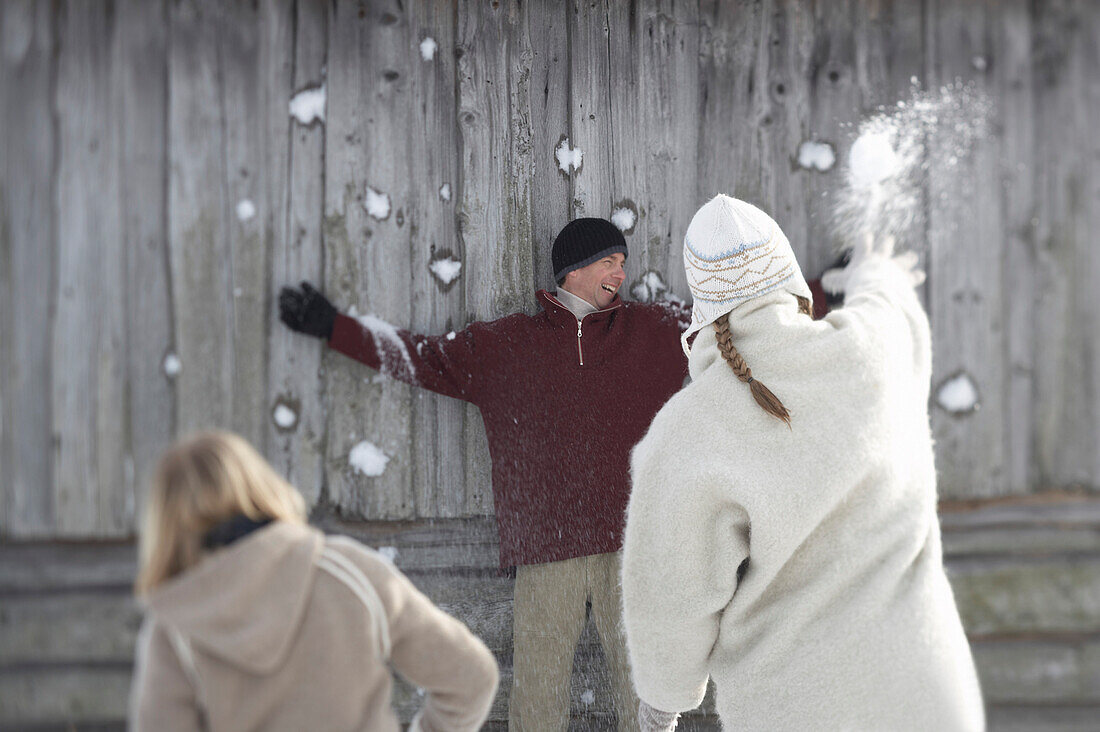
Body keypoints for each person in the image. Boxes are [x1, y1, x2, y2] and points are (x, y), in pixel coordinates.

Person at [279, 218, 691, 730]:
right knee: (537, 705)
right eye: (610, 261)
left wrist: (821, 293)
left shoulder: (658, 331)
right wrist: (334, 328)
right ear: (574, 269)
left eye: (623, 262)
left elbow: (738, 321)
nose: (621, 273)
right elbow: (422, 357)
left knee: (646, 700)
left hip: (633, 549)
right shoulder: (509, 346)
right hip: (548, 550)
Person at [621, 195, 985, 731]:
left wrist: (661, 702)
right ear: (788, 279)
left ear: (705, 308)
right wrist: (876, 272)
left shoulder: (686, 434)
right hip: (929, 697)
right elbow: (893, 311)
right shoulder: (872, 350)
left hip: (797, 709)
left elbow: (670, 595)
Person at [129, 431, 498, 731]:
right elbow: (470, 676)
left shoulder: (175, 625)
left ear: (165, 526)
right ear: (259, 485)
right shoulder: (349, 570)